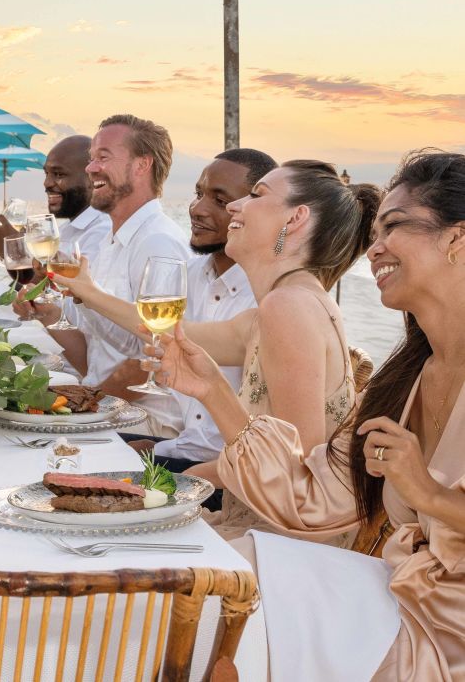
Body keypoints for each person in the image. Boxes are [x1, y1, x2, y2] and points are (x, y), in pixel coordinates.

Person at [145, 150, 465, 681]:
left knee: (215, 599)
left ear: (457, 238)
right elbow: (312, 504)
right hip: (395, 594)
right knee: (199, 583)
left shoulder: (293, 306)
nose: (374, 249)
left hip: (445, 634)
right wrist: (212, 391)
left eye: (394, 226)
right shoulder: (403, 380)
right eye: (376, 232)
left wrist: (430, 496)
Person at [57, 158, 382, 540]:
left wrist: (186, 477)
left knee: (75, 521)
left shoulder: (288, 307)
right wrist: (88, 292)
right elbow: (169, 331)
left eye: (257, 195)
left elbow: (297, 468)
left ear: (295, 219)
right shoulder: (281, 306)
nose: (236, 207)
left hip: (276, 538)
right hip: (259, 513)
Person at [120, 150, 276, 511]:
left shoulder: (266, 298)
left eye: (220, 200)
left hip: (228, 479)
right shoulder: (189, 275)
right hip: (183, 448)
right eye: (198, 193)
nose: (197, 209)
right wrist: (158, 447)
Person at [16, 115, 189, 432]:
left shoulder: (157, 243)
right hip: (111, 408)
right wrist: (48, 314)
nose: (90, 168)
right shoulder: (112, 241)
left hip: (146, 420)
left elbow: (159, 353)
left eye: (103, 157)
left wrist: (86, 408)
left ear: (142, 165)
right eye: (91, 158)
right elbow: (94, 355)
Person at [0, 135, 110, 263]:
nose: (46, 183)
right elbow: (47, 271)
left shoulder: (103, 231)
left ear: (91, 178)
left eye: (59, 174)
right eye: (47, 173)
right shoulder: (65, 229)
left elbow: (77, 277)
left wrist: (15, 250)